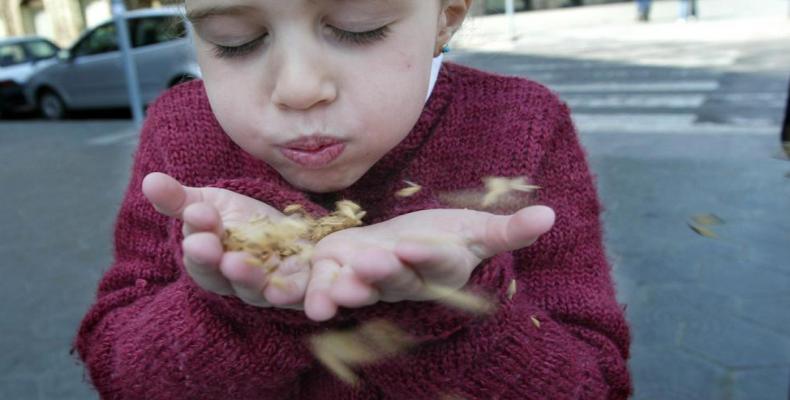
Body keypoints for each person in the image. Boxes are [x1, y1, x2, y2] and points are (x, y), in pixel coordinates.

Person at [74, 0, 632, 398]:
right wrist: (238, 303)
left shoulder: (523, 123)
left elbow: (595, 381)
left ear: (446, 17)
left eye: (359, 28)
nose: (297, 87)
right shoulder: (179, 129)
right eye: (233, 39)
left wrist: (448, 303)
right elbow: (119, 369)